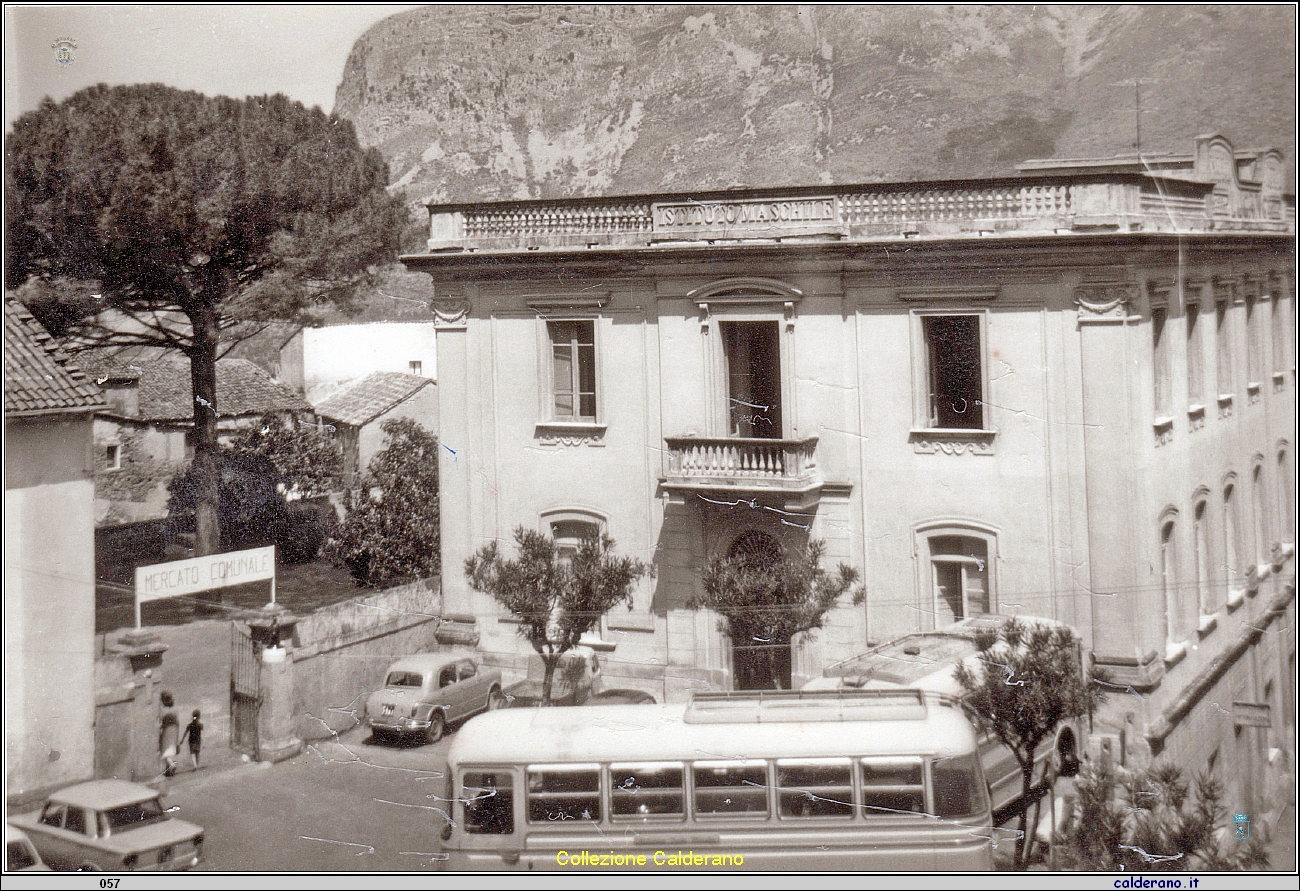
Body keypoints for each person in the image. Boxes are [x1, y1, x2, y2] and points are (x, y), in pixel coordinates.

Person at [159, 691, 180, 778]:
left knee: (165, 750)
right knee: (172, 750)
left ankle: (171, 765)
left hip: (167, 730)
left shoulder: (163, 710)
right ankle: (169, 771)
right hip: (174, 729)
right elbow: (177, 722)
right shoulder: (175, 710)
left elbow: (161, 723)